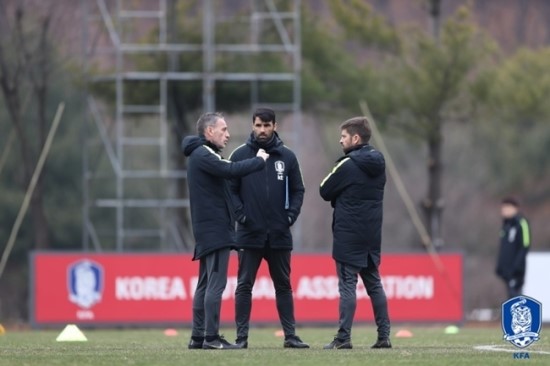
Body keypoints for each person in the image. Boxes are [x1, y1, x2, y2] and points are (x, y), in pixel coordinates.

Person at [181, 112, 269, 350]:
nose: (228, 135)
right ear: (209, 132)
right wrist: (259, 161)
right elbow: (231, 170)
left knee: (204, 284)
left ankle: (198, 337)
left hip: (207, 229)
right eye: (223, 129)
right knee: (215, 286)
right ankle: (211, 338)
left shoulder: (199, 154)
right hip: (215, 229)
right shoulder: (204, 154)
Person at [228, 107, 309, 349]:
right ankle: (241, 339)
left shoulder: (288, 157)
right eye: (258, 125)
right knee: (244, 286)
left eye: (267, 125)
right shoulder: (240, 155)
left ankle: (290, 337)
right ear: (252, 126)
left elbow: (299, 190)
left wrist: (290, 216)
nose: (262, 130)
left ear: (275, 126)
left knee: (283, 285)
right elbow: (229, 190)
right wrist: (241, 215)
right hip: (249, 234)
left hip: (279, 234)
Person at [319, 116, 391, 350]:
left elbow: (324, 190)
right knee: (374, 285)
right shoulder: (380, 162)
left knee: (348, 286)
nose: (340, 141)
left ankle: (343, 338)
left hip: (348, 234)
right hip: (371, 234)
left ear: (355, 138)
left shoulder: (347, 164)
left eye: (343, 137)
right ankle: (384, 337)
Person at [495, 197, 531, 300]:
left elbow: (525, 245)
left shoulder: (521, 223)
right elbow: (504, 248)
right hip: (506, 271)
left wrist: (517, 267)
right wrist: (500, 266)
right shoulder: (506, 225)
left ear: (514, 208)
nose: (503, 211)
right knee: (510, 297)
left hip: (516, 271)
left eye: (506, 208)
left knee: (516, 298)